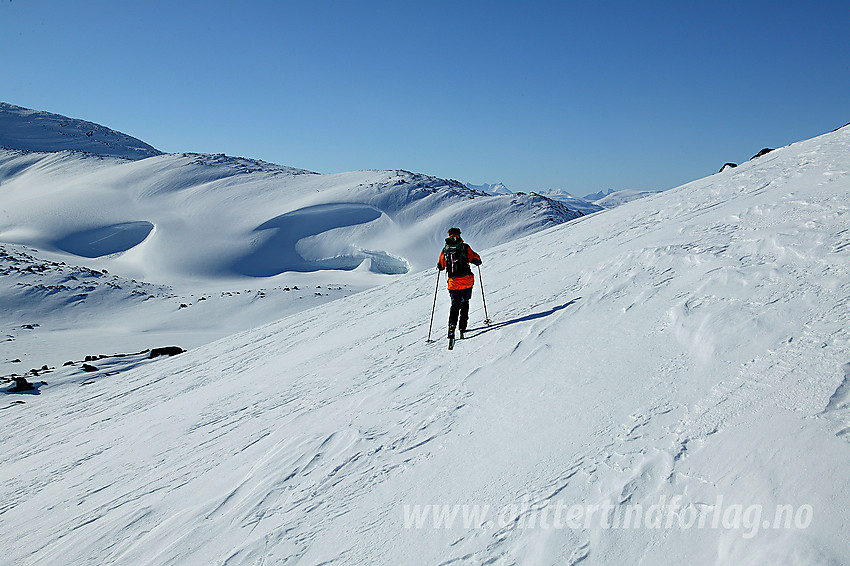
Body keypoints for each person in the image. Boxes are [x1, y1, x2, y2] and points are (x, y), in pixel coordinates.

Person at [437, 227, 482, 339]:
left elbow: (441, 266)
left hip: (453, 283)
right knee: (465, 303)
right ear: (459, 235)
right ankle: (462, 328)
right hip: (467, 281)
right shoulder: (465, 247)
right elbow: (475, 258)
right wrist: (477, 262)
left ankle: (451, 328)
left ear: (449, 235)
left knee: (455, 304)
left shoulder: (445, 249)